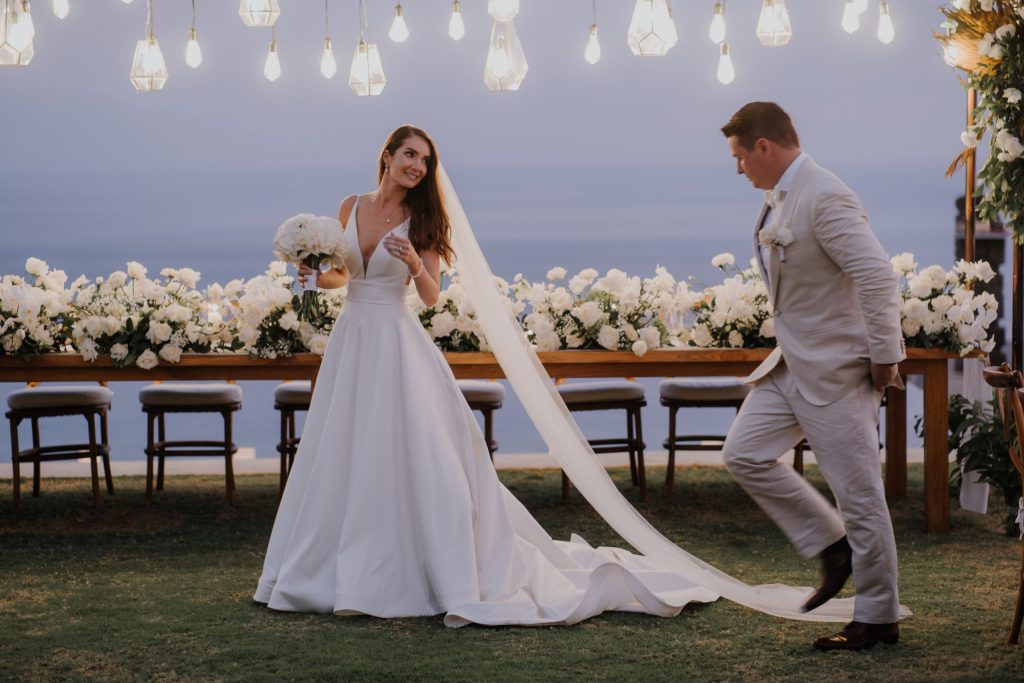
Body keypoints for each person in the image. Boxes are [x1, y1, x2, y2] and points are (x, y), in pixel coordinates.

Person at [253, 125, 717, 626]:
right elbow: (344, 275)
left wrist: (413, 264)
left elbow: (431, 296)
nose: (417, 166)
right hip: (352, 339)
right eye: (409, 155)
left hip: (396, 339)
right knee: (343, 446)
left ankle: (408, 570)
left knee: (414, 452)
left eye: (425, 160)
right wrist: (307, 273)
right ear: (387, 156)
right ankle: (331, 568)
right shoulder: (351, 206)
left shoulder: (424, 217)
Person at [719, 102, 905, 651]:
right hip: (790, 366)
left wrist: (884, 357)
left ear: (764, 148)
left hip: (838, 372)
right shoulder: (779, 199)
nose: (738, 170)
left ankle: (877, 617)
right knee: (743, 453)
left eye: (739, 157)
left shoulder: (825, 194)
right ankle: (832, 545)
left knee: (861, 497)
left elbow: (876, 276)